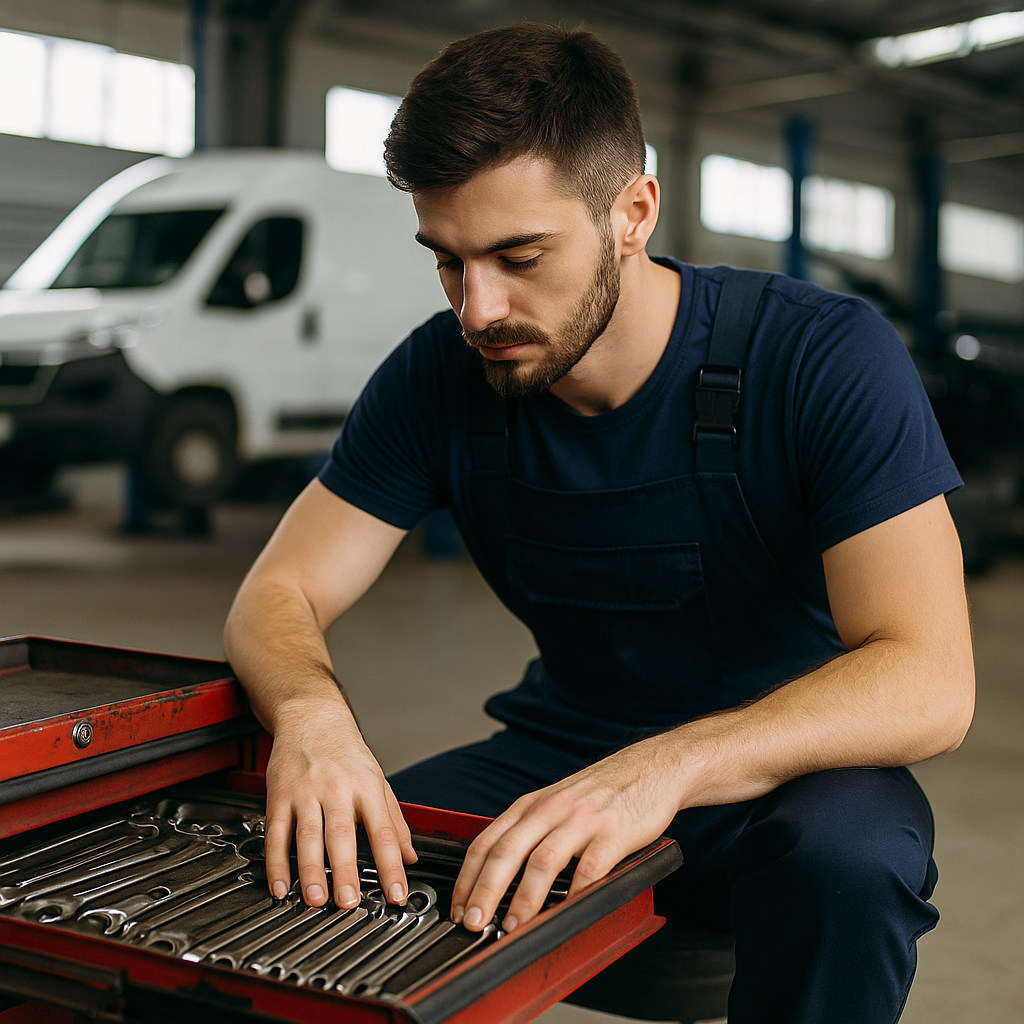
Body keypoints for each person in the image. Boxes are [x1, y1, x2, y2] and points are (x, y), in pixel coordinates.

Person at [223, 23, 975, 1023]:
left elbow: (928, 677)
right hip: (560, 751)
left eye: (518, 256)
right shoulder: (438, 376)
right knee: (314, 876)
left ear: (633, 211)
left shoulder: (820, 359)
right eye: (445, 260)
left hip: (790, 772)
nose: (478, 308)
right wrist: (312, 720)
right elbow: (278, 591)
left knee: (849, 856)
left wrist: (658, 771)